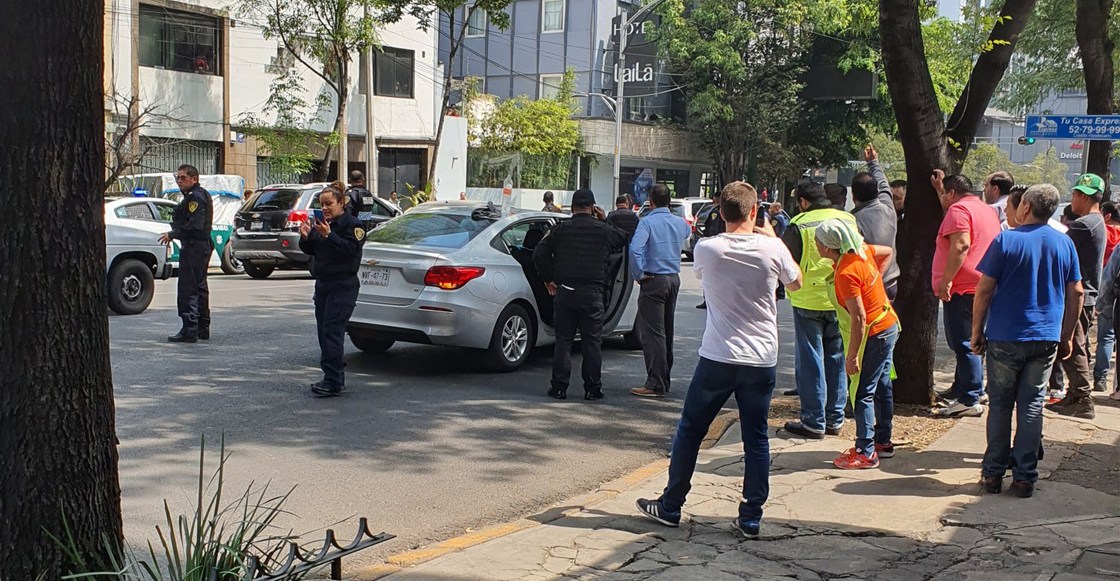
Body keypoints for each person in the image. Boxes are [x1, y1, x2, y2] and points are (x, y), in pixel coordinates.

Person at [635, 181, 802, 537]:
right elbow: (797, 282)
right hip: (760, 358)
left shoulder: (707, 249)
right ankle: (751, 516)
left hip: (719, 355)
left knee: (691, 429)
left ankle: (671, 504)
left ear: (720, 213)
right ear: (754, 212)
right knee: (756, 437)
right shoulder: (772, 249)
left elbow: (705, 275)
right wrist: (773, 237)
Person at [972, 184, 1083, 498]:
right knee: (1032, 408)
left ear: (1026, 207)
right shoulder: (1065, 244)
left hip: (1006, 335)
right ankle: (1024, 478)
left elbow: (984, 289)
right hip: (1046, 337)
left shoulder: (1006, 240)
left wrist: (977, 330)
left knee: (1001, 405)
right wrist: (1067, 335)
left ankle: (993, 475)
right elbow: (1076, 292)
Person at [814, 219, 898, 469]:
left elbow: (859, 318)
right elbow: (888, 251)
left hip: (875, 332)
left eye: (818, 241)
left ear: (828, 247)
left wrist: (852, 357)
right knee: (882, 385)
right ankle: (883, 441)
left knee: (863, 393)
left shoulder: (846, 273)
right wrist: (875, 284)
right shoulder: (861, 251)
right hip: (888, 324)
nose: (816, 245)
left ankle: (865, 451)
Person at [780, 182, 859, 438]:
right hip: (841, 299)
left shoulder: (799, 223)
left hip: (807, 301)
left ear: (803, 201)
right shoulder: (847, 219)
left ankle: (814, 420)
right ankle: (835, 418)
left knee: (810, 360)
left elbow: (786, 263)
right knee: (836, 358)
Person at [533, 189, 628, 400]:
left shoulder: (559, 230)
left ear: (572, 208)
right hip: (593, 295)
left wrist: (549, 279)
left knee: (563, 342)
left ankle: (559, 387)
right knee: (591, 343)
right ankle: (592, 389)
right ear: (593, 208)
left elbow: (539, 253)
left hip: (565, 292)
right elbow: (623, 238)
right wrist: (607, 219)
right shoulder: (603, 230)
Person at [930, 170, 1001, 418]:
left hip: (964, 286)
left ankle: (970, 397)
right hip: (986, 282)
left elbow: (961, 245)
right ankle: (974, 390)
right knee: (977, 339)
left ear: (952, 193)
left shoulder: (958, 211)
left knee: (964, 342)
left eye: (944, 194)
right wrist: (940, 189)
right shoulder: (986, 209)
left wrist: (946, 281)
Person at [1047, 173, 1107, 420]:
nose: (1071, 199)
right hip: (1088, 293)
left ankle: (1082, 397)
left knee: (1073, 345)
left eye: (1074, 195)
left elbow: (1061, 249)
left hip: (1078, 294)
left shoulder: (1083, 225)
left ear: (1083, 197)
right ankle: (1075, 393)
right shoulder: (1097, 221)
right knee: (1075, 345)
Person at [298, 186, 365, 397]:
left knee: (332, 332)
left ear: (341, 203)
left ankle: (333, 380)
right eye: (322, 204)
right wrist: (307, 237)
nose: (325, 208)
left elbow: (350, 251)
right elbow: (312, 250)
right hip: (324, 284)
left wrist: (329, 236)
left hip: (343, 285)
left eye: (329, 203)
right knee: (323, 333)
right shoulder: (323, 225)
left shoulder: (353, 225)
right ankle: (333, 376)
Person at [630, 185, 692, 398]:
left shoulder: (646, 223)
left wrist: (638, 274)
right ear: (669, 201)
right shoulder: (679, 222)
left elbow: (635, 249)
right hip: (673, 279)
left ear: (651, 201)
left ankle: (655, 382)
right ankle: (664, 379)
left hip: (653, 279)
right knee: (667, 330)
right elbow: (688, 233)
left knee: (653, 333)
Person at [159, 164, 213, 343]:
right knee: (199, 286)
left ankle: (190, 329)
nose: (179, 181)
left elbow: (194, 225)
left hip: (194, 246)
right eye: (178, 178)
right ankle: (201, 327)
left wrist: (172, 234)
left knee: (188, 288)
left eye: (183, 178)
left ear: (194, 179)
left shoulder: (194, 198)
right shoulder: (198, 195)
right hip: (199, 245)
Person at [850, 144, 900, 300]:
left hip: (867, 286)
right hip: (890, 283)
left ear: (853, 196)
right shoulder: (888, 208)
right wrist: (873, 162)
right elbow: (883, 183)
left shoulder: (852, 221)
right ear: (877, 192)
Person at [1093, 201, 1120, 392]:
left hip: (1108, 293)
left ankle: (1100, 378)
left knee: (1105, 337)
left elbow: (1109, 273)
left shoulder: (1102, 231)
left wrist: (1101, 301)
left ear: (1108, 216)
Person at [696, 192, 726, 310]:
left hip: (717, 245)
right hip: (718, 245)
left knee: (712, 274)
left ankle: (712, 299)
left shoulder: (717, 212)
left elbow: (713, 229)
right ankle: (708, 299)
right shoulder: (718, 211)